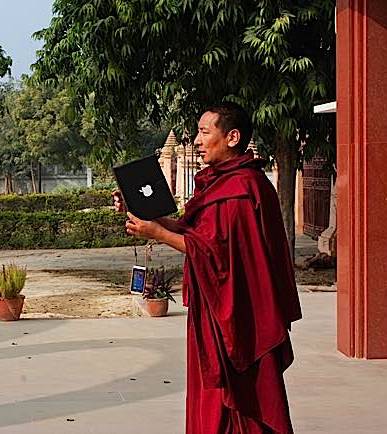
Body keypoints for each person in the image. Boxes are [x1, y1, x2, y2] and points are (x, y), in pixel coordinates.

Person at [113, 101, 301, 434]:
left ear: (232, 137)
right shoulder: (222, 184)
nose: (198, 141)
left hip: (240, 316)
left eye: (204, 132)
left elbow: (217, 257)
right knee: (213, 393)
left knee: (240, 396)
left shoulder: (242, 189)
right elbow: (196, 234)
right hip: (215, 309)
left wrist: (156, 233)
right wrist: (145, 213)